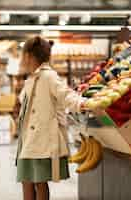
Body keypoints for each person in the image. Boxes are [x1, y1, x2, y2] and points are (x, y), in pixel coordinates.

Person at [16, 36, 86, 200]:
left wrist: (82, 103)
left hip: (41, 140)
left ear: (29, 56)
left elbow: (66, 94)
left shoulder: (49, 76)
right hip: (28, 140)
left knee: (39, 181)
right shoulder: (32, 78)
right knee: (26, 180)